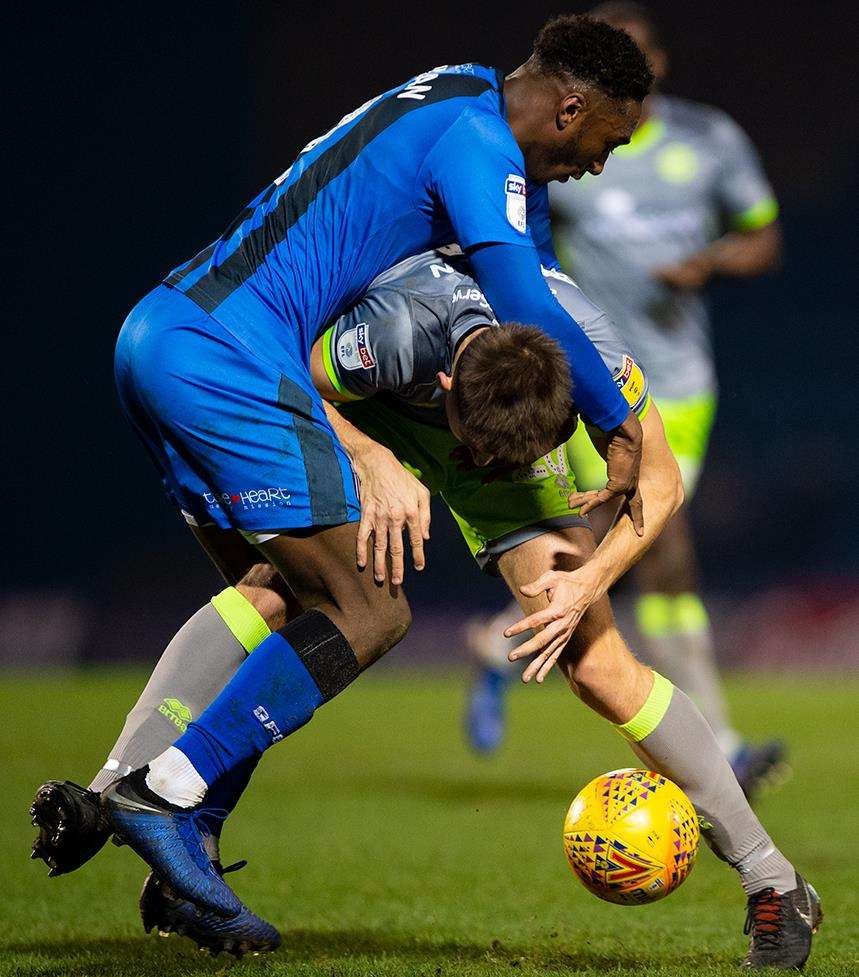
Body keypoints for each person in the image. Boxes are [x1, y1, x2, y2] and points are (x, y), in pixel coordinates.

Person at [37, 250, 819, 969]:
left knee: (596, 660)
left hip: (495, 418)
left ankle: (774, 884)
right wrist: (375, 461)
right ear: (445, 384)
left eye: (496, 457)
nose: (473, 466)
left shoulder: (589, 353)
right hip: (352, 410)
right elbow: (297, 374)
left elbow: (661, 485)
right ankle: (120, 791)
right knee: (282, 591)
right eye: (474, 449)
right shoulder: (395, 330)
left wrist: (589, 579)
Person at [466, 2, 787, 798]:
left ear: (654, 68)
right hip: (591, 380)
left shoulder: (708, 140)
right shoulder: (561, 147)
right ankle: (717, 740)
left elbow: (763, 234)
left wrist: (712, 260)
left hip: (678, 382)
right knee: (655, 541)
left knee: (628, 535)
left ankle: (497, 638)